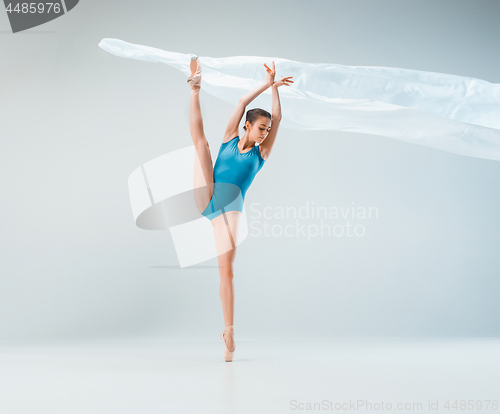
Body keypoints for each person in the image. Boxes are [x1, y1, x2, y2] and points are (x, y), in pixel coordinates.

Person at [187, 56, 293, 361]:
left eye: (267, 129)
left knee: (227, 272)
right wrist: (267, 83)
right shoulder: (229, 139)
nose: (265, 132)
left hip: (228, 211)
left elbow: (279, 119)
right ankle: (194, 89)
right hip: (206, 197)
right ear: (247, 125)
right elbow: (242, 101)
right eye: (261, 127)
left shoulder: (261, 154)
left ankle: (229, 331)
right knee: (202, 145)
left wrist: (277, 92)